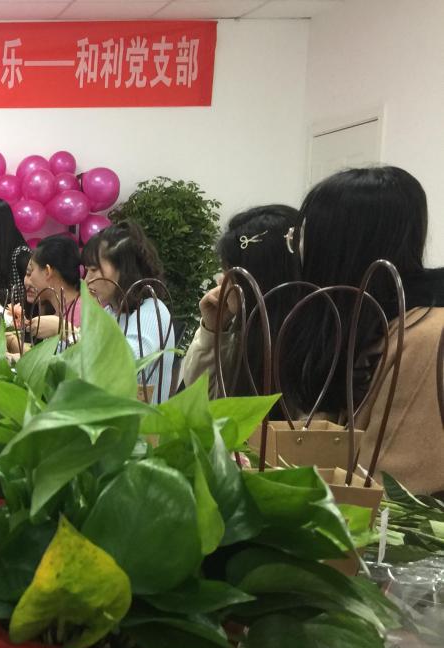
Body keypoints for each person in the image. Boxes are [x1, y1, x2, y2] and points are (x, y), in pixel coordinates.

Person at [284, 166, 444, 494]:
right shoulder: (365, 327)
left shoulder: (425, 339)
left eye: (301, 238)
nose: (298, 250)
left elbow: (387, 494)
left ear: (335, 248)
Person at [179, 205, 300, 397]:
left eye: (228, 271)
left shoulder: (308, 353)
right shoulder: (247, 337)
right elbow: (203, 400)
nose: (221, 281)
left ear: (257, 278)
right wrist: (213, 331)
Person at [84, 221, 177, 403]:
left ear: (124, 270)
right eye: (86, 271)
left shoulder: (152, 311)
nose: (87, 279)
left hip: (144, 420)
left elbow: (124, 362)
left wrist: (67, 332)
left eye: (94, 270)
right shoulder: (112, 312)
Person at [23, 233, 83, 342]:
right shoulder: (60, 313)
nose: (27, 281)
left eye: (30, 272)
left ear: (47, 272)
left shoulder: (81, 314)